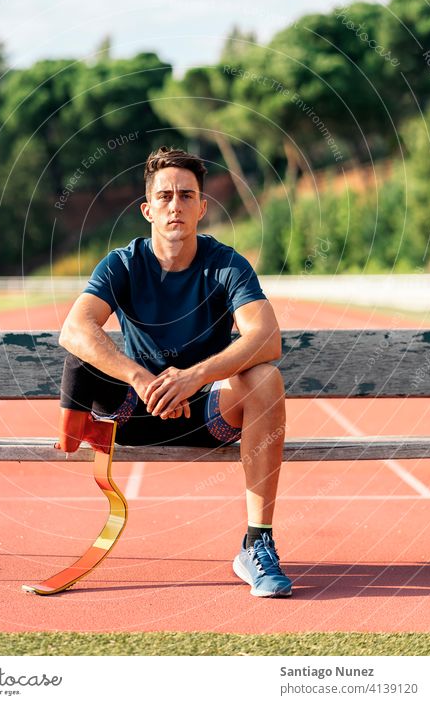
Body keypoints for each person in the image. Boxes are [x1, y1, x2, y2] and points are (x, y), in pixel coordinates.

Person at [57, 146, 292, 598]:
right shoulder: (123, 263)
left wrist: (194, 376)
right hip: (133, 412)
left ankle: (257, 543)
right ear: (147, 209)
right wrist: (142, 379)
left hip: (205, 413)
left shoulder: (226, 264)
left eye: (187, 195)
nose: (175, 205)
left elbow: (266, 338)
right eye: (164, 196)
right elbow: (75, 328)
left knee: (266, 378)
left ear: (202, 207)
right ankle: (73, 431)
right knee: (84, 349)